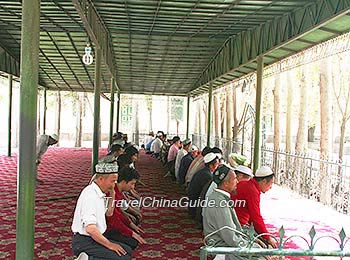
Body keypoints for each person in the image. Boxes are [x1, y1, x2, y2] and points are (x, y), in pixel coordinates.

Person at [202, 165, 265, 260]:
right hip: (222, 248)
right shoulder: (219, 203)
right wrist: (256, 249)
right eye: (235, 179)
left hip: (226, 242)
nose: (237, 181)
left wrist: (252, 240)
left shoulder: (219, 197)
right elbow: (231, 237)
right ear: (226, 183)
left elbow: (233, 230)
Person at [71, 163, 132, 260]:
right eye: (112, 181)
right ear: (100, 179)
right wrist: (110, 245)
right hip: (84, 241)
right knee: (123, 258)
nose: (114, 185)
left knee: (127, 250)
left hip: (94, 237)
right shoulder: (90, 196)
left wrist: (113, 194)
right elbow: (90, 229)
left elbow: (109, 213)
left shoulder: (99, 192)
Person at [232, 166, 277, 248]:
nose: (271, 187)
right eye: (271, 183)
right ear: (264, 181)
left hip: (235, 223)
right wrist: (267, 237)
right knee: (264, 248)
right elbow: (256, 216)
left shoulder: (246, 184)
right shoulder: (252, 190)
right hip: (239, 227)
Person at [105, 167, 146, 250]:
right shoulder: (112, 193)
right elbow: (113, 220)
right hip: (105, 228)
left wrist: (130, 224)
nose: (133, 187)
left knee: (132, 230)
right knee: (132, 242)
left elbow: (118, 212)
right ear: (123, 182)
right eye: (132, 184)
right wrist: (131, 233)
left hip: (110, 224)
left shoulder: (117, 192)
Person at [187, 152, 219, 218]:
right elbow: (206, 194)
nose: (218, 166)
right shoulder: (207, 175)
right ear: (211, 165)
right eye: (217, 164)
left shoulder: (204, 171)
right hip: (195, 206)